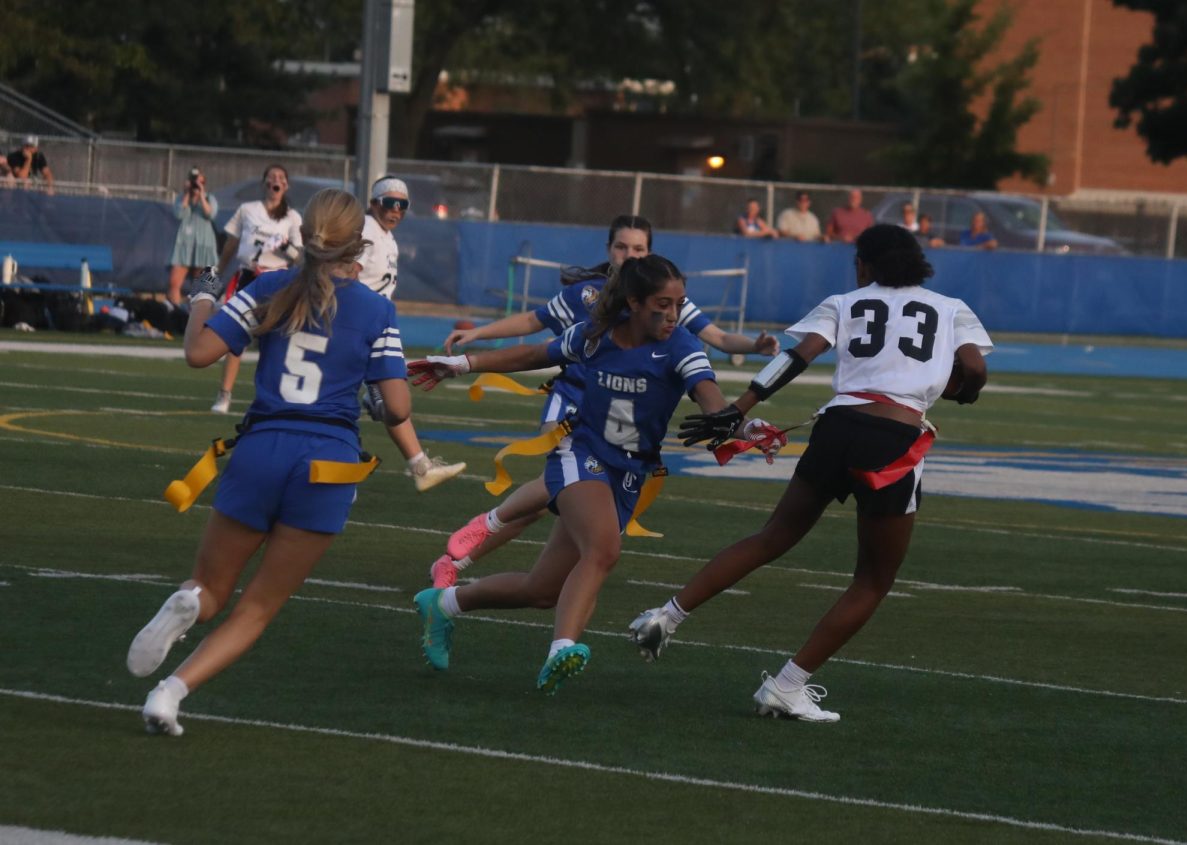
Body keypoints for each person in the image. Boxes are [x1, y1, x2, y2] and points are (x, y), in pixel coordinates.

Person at [628, 224, 992, 723]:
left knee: (773, 536)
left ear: (864, 265)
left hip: (837, 427)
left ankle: (665, 616)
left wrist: (740, 407)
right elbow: (974, 369)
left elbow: (797, 357)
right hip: (894, 441)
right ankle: (787, 686)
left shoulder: (844, 301)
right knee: (872, 580)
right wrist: (950, 390)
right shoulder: (951, 307)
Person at [409, 255, 768, 693]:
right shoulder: (596, 335)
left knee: (541, 590)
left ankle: (443, 605)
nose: (673, 315)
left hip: (630, 474)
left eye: (679, 304)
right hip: (580, 454)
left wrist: (745, 426)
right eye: (662, 304)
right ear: (634, 302)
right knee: (603, 549)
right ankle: (561, 650)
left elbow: (711, 398)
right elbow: (533, 352)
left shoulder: (682, 346)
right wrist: (463, 364)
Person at [126, 188, 412, 736]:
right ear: (359, 246)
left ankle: (189, 600)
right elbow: (397, 407)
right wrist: (376, 395)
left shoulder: (270, 285)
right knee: (256, 607)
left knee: (210, 588)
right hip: (328, 463)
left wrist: (205, 295)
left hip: (261, 448)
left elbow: (198, 353)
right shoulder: (377, 308)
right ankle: (169, 694)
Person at [432, 215, 780, 589]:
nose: (628, 255)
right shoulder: (587, 295)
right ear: (608, 249)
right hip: (574, 403)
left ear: (650, 253)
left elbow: (719, 338)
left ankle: (528, 584)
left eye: (638, 249)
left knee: (560, 545)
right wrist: (480, 336)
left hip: (621, 423)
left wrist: (753, 347)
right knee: (555, 483)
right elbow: (534, 326)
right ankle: (462, 553)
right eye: (621, 247)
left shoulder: (664, 305)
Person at [357, 174, 466, 492]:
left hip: (376, 328)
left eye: (402, 205)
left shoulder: (386, 237)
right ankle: (347, 461)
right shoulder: (366, 231)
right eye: (390, 203)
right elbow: (346, 278)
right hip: (362, 328)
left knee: (391, 400)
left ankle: (419, 466)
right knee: (386, 399)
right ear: (374, 202)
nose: (396, 210)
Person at [209, 164, 303, 414]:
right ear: (264, 183)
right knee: (236, 336)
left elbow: (300, 257)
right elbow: (232, 244)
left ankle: (273, 397)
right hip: (250, 277)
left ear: (286, 185)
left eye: (281, 177)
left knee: (275, 340)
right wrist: (218, 270)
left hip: (278, 281)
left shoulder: (292, 217)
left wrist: (286, 248)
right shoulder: (247, 210)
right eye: (271, 177)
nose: (276, 180)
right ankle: (224, 394)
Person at [166, 167, 220, 306]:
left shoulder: (209, 198)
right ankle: (175, 314)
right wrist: (187, 194)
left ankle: (195, 317)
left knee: (202, 287)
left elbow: (210, 214)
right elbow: (179, 214)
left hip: (204, 245)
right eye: (194, 182)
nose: (196, 185)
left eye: (200, 182)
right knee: (174, 283)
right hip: (184, 245)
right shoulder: (182, 198)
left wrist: (201, 195)